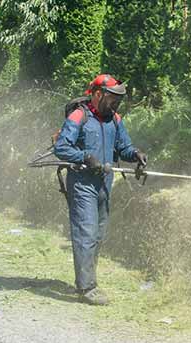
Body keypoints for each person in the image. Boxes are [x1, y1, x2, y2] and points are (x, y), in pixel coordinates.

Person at [53, 74, 147, 305]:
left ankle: (88, 278)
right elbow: (62, 147)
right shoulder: (79, 116)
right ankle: (87, 287)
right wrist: (85, 156)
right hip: (83, 183)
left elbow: (123, 147)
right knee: (86, 232)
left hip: (104, 183)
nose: (116, 103)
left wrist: (135, 154)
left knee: (98, 234)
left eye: (118, 99)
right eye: (112, 98)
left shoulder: (115, 119)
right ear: (97, 94)